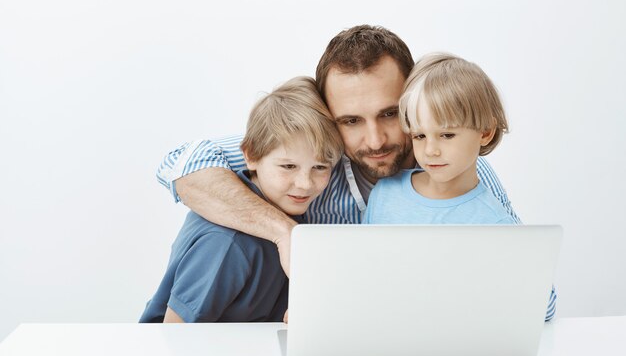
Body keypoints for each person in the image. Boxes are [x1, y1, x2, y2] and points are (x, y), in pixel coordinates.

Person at [155, 25, 556, 321]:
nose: (375, 139)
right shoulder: (311, 158)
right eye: (350, 121)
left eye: (389, 113)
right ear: (328, 117)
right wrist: (285, 232)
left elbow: (529, 286)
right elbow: (183, 165)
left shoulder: (456, 170)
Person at [140, 76, 343, 323]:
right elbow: (175, 333)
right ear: (251, 155)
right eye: (288, 166)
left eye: (320, 167)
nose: (305, 183)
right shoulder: (227, 243)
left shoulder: (291, 209)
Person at [364, 53, 516, 225]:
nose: (430, 150)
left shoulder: (496, 223)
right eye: (420, 136)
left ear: (486, 132)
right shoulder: (385, 193)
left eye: (446, 135)